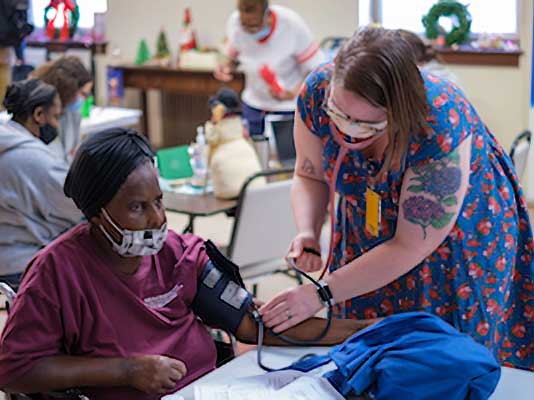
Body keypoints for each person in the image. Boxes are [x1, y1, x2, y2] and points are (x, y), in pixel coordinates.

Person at [0, 128, 371, 399]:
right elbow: (13, 370)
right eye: (137, 207)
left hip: (211, 389)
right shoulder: (57, 272)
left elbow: (251, 325)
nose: (158, 219)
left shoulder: (177, 253)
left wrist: (365, 330)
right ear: (97, 213)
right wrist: (127, 371)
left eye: (158, 201)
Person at [259, 27, 534, 370]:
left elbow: (409, 245)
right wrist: (308, 232)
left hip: (454, 241)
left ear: (397, 111)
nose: (346, 130)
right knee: (365, 348)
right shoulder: (316, 92)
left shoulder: (439, 124)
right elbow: (309, 174)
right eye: (338, 114)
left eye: (364, 123)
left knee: (440, 358)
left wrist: (321, 294)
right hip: (368, 226)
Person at [0, 79, 81, 288]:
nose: (56, 124)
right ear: (38, 115)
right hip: (21, 265)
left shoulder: (6, 138)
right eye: (55, 117)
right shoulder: (32, 158)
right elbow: (77, 203)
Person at [215, 0, 324, 136]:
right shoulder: (235, 24)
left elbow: (314, 70)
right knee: (253, 153)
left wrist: (292, 93)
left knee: (285, 156)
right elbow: (233, 58)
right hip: (253, 105)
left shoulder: (292, 25)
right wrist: (226, 68)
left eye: (254, 26)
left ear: (267, 15)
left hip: (287, 109)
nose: (249, 30)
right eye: (245, 25)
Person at [32, 56, 93, 163]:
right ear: (67, 91)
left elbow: (72, 151)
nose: (84, 100)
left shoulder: (73, 113)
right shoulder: (41, 117)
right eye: (83, 94)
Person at [205, 87, 263, 199]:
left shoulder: (217, 128)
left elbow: (211, 138)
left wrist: (213, 122)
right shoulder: (240, 126)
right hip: (256, 188)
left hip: (229, 192)